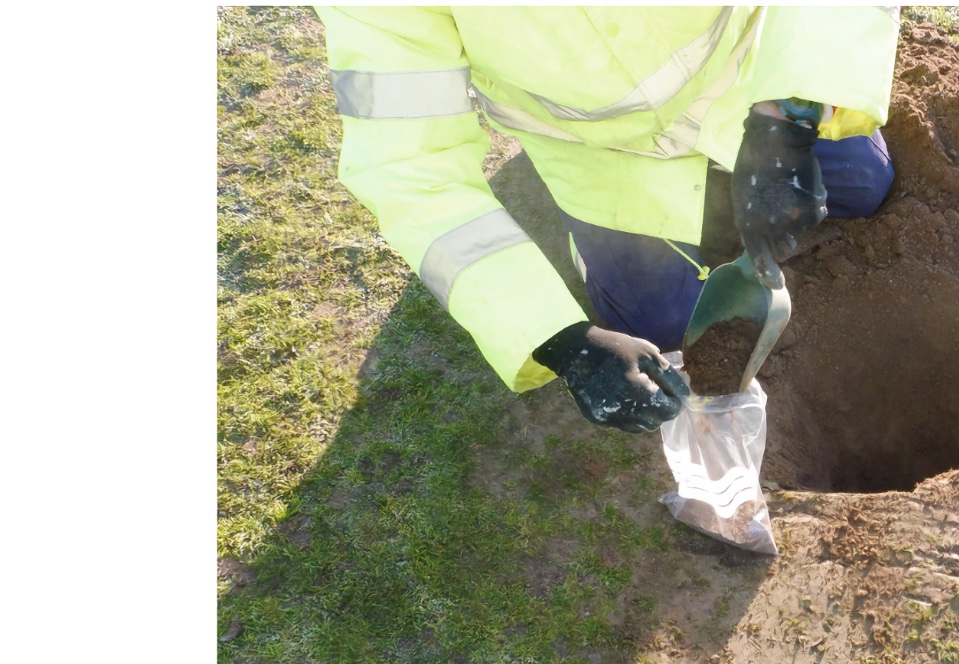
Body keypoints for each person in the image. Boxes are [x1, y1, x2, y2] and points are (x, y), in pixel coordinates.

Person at [314, 7, 900, 432]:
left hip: (744, 82)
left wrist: (788, 120)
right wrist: (559, 338)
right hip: (604, 152)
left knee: (865, 187)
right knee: (663, 322)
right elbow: (412, 169)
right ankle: (588, 242)